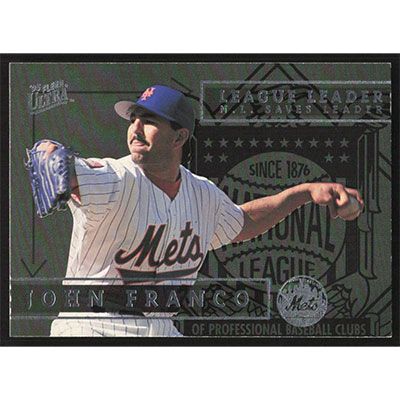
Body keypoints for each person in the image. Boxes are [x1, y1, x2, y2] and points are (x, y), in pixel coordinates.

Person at [36, 85, 364, 337]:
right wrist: (48, 151)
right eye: (133, 119)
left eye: (148, 120)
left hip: (161, 328)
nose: (135, 128)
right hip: (92, 324)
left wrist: (303, 193)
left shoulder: (203, 194)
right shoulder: (115, 177)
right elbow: (67, 167)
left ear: (179, 136)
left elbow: (244, 221)